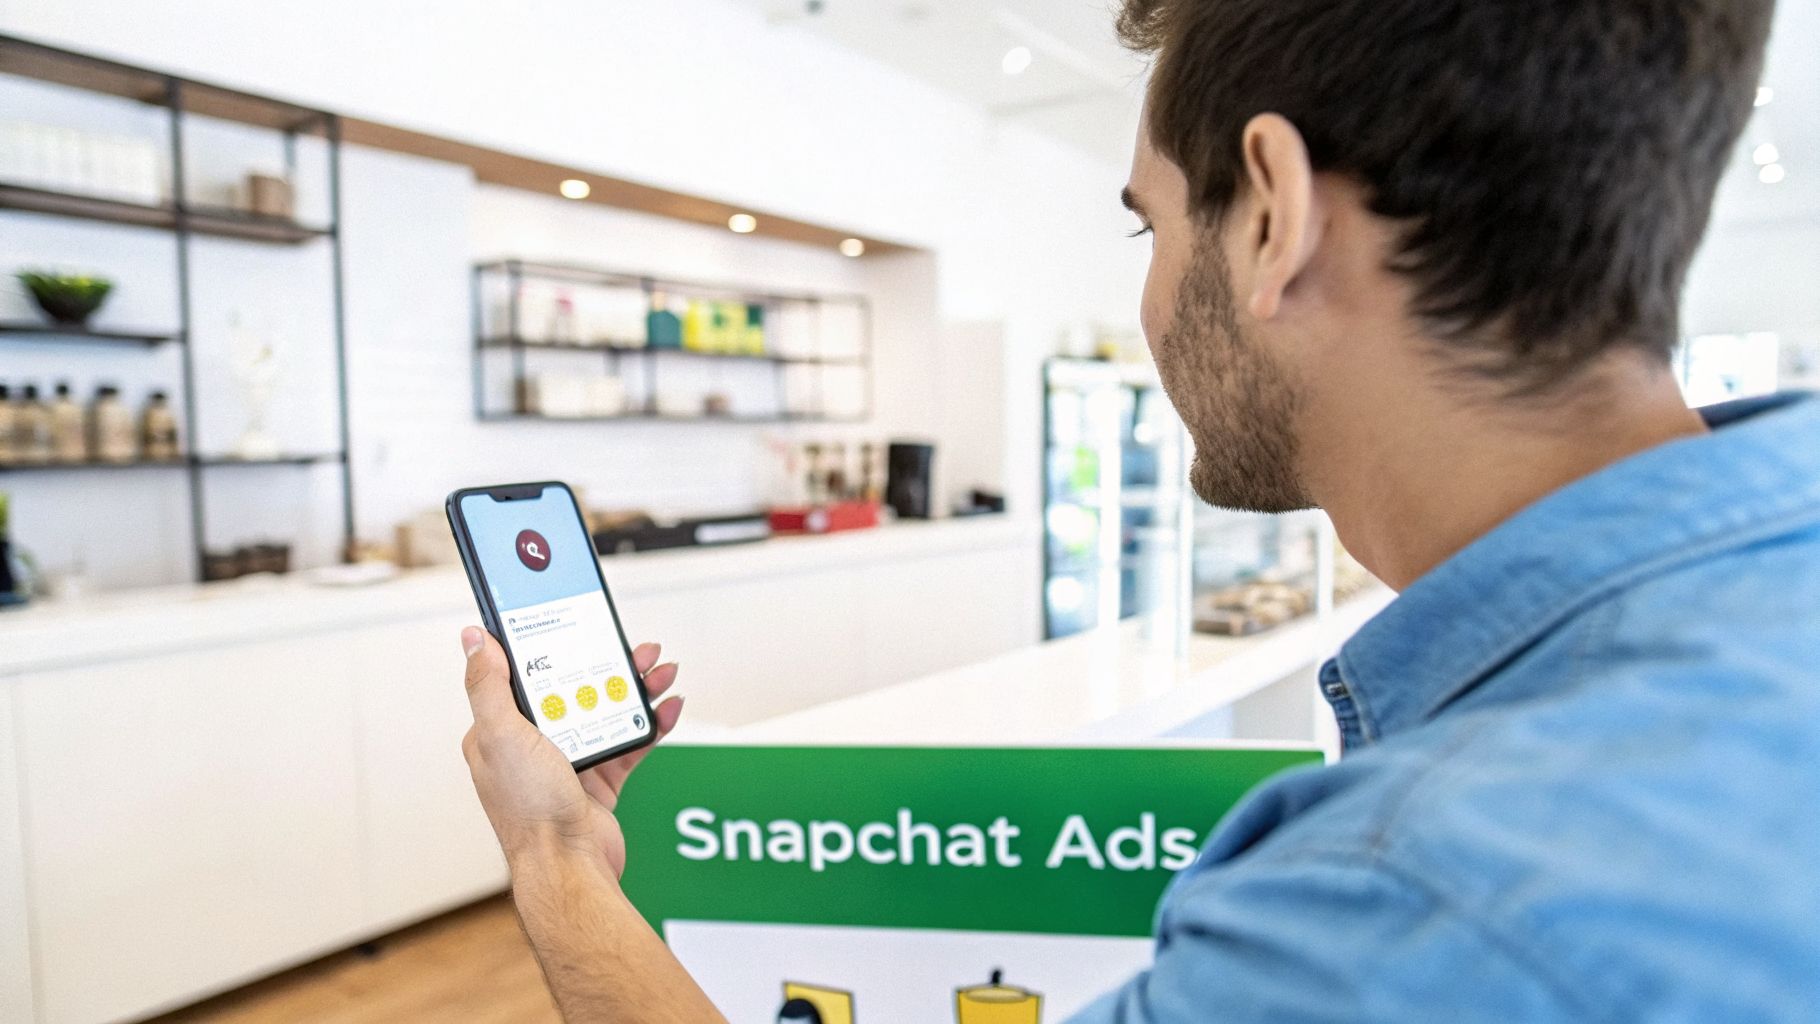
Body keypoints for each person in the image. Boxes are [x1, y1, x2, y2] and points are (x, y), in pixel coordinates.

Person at [457, 0, 1820, 1018]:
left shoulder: (1394, 905)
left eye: (1148, 227)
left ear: (1273, 216)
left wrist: (560, 859)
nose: (1154, 293)